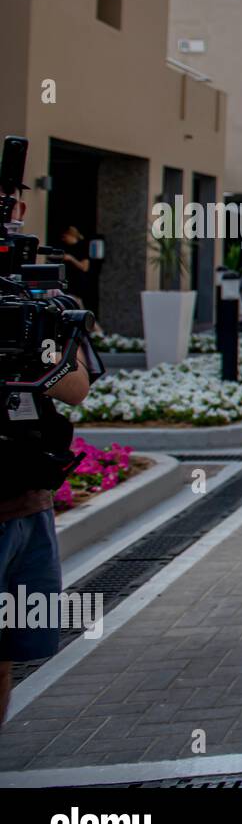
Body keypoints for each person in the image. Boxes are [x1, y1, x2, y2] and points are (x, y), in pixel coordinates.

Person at [0, 188, 96, 729]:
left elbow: (76, 386)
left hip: (25, 503)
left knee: (5, 657)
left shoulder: (32, 297)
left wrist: (38, 356)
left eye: (14, 207)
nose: (14, 216)